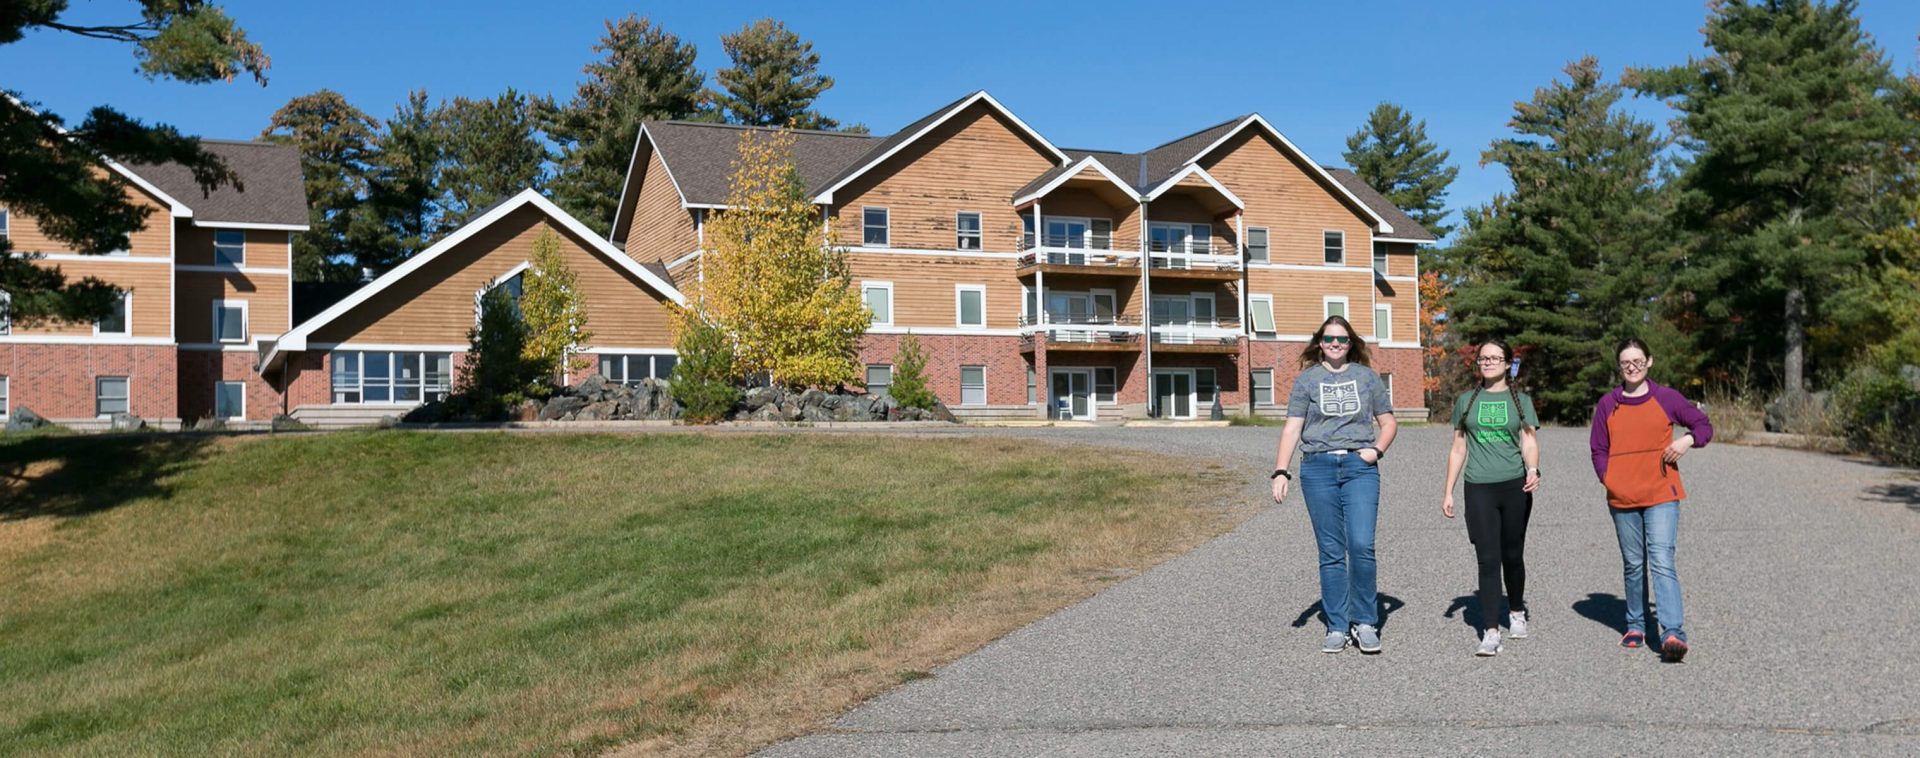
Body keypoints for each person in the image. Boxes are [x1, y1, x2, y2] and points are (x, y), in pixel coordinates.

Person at [1271, 315, 1398, 654]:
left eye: (1342, 339)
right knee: (1330, 552)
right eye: (1329, 339)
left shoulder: (1367, 378)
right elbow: (1291, 429)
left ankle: (1366, 622)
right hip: (1318, 469)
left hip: (1359, 467)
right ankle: (1338, 626)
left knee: (1361, 545)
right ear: (1320, 343)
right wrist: (1281, 471)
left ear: (1351, 343)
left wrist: (1376, 451)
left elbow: (1388, 423)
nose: (1336, 345)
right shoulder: (1307, 380)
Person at [1589, 337, 1713, 662]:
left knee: (1661, 561)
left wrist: (1686, 440)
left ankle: (1672, 632)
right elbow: (1598, 449)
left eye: (1638, 362)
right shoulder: (1608, 404)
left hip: (1661, 493)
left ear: (1649, 362)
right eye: (1626, 363)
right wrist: (1610, 479)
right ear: (1619, 366)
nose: (1632, 367)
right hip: (1622, 496)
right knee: (1633, 564)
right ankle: (1635, 625)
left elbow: (1703, 425)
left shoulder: (1667, 398)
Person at [1441, 339, 1542, 657]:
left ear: (1507, 363)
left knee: (1512, 555)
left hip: (1514, 486)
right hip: (1479, 486)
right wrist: (1449, 491)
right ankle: (1490, 631)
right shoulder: (1466, 400)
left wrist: (1533, 469)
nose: (1488, 362)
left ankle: (1515, 610)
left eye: (1495, 358)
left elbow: (1528, 441)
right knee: (1487, 559)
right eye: (1483, 358)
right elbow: (1458, 449)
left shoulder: (1521, 400)